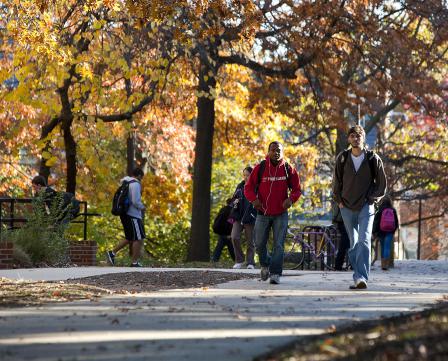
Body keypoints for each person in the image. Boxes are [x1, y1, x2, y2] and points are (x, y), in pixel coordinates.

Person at [333, 125, 387, 290]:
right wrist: (339, 201)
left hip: (366, 206)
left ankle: (361, 278)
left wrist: (372, 199)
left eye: (358, 136)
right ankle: (358, 274)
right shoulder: (342, 158)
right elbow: (336, 182)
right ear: (349, 139)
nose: (355, 139)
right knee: (354, 243)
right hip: (346, 207)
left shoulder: (373, 158)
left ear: (363, 138)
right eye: (352, 136)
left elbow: (382, 185)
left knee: (364, 241)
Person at [244, 141, 301, 284]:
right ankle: (265, 264)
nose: (276, 152)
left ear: (283, 152)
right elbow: (248, 188)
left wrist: (290, 200)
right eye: (274, 150)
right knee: (259, 243)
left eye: (279, 150)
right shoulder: (261, 168)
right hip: (262, 213)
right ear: (268, 152)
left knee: (279, 245)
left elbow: (297, 189)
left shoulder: (288, 169)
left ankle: (275, 273)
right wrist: (254, 200)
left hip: (280, 214)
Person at [107, 167, 145, 267]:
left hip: (124, 213)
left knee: (130, 237)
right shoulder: (135, 184)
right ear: (140, 176)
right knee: (138, 238)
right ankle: (134, 262)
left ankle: (112, 253)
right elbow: (135, 201)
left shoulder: (125, 183)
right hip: (133, 215)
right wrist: (143, 207)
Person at [229, 166, 257, 269]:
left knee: (250, 241)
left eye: (248, 175)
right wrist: (234, 202)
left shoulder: (256, 187)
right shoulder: (240, 186)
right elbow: (233, 199)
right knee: (234, 236)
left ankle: (250, 262)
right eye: (244, 175)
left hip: (250, 217)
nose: (245, 177)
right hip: (238, 216)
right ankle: (239, 260)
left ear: (252, 175)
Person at [372, 197, 399, 270]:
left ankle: (382, 264)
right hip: (390, 231)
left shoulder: (380, 210)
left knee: (383, 246)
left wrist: (375, 232)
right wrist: (393, 230)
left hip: (381, 231)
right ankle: (386, 265)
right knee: (387, 247)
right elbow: (396, 222)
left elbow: (376, 222)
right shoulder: (393, 210)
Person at [211, 198, 235, 263]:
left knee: (220, 246)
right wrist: (230, 233)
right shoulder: (231, 211)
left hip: (221, 232)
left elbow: (217, 220)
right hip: (227, 233)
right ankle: (237, 260)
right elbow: (230, 223)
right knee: (231, 247)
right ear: (232, 203)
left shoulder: (223, 209)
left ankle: (214, 259)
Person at [332, 201, 350, 271]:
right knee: (344, 244)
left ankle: (339, 265)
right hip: (343, 222)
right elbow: (336, 213)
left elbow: (335, 213)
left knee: (345, 244)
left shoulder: (340, 199)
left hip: (343, 222)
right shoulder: (340, 200)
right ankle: (338, 265)